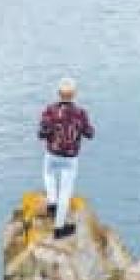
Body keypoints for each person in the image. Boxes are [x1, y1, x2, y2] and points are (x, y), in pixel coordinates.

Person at [38, 77, 95, 239]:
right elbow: (90, 134)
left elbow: (42, 133)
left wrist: (52, 132)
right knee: (65, 191)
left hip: (52, 154)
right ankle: (59, 228)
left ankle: (52, 202)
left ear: (58, 93)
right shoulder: (80, 113)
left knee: (48, 174)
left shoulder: (50, 110)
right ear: (74, 94)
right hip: (70, 158)